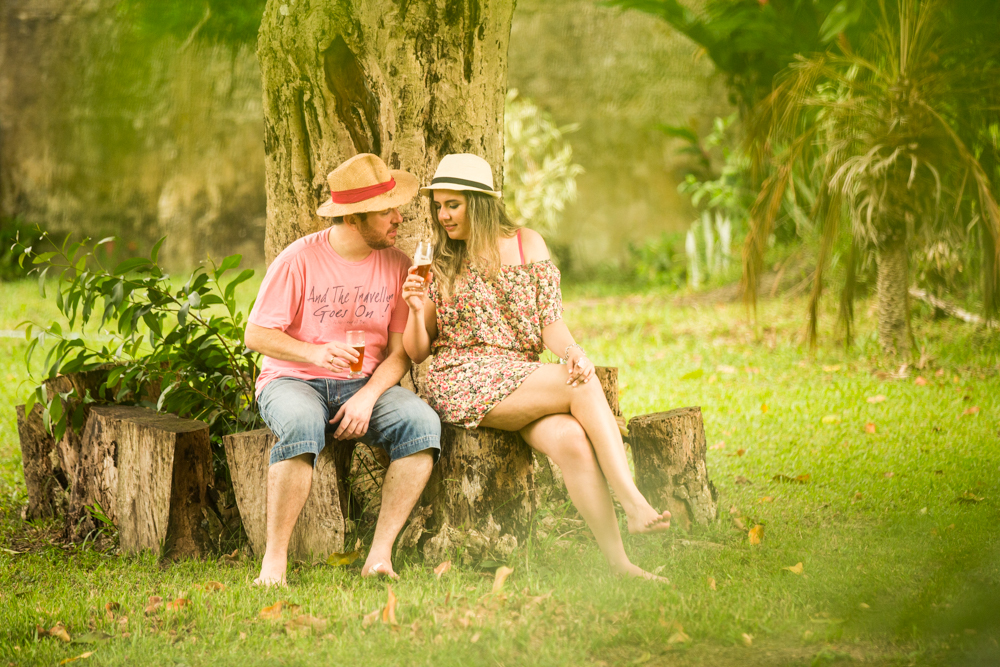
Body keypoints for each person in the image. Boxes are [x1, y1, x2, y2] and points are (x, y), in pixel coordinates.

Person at [402, 153, 670, 581]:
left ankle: (619, 563)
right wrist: (416, 310)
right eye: (438, 205)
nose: (443, 215)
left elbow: (551, 324)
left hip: (518, 376)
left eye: (452, 204)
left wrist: (574, 352)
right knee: (578, 385)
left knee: (572, 441)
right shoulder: (441, 261)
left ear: (479, 202)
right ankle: (634, 502)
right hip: (462, 377)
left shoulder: (528, 244)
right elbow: (416, 352)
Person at [246, 153, 441, 585]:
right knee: (299, 424)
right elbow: (256, 335)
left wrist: (368, 396)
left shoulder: (398, 264)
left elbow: (400, 354)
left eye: (397, 206)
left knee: (422, 424)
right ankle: (274, 563)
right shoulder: (298, 260)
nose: (398, 217)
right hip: (294, 380)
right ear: (353, 219)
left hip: (364, 384)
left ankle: (379, 556)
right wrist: (314, 354)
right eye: (386, 211)